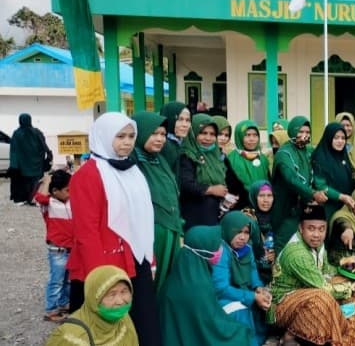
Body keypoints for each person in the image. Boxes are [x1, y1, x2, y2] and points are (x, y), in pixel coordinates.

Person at [67, 112, 161, 345]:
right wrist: (102, 278)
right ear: (103, 136)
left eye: (131, 136)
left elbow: (143, 220)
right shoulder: (87, 175)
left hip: (136, 259)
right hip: (103, 265)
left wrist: (150, 258)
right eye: (120, 136)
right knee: (105, 330)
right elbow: (86, 231)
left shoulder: (132, 170)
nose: (127, 142)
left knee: (143, 325)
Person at [270, 204, 355, 346]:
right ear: (301, 228)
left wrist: (350, 269)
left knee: (345, 282)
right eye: (311, 228)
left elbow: (326, 271)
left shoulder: (317, 244)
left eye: (321, 229)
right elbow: (325, 288)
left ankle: (346, 334)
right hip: (281, 306)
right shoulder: (297, 254)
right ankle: (291, 334)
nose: (316, 234)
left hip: (307, 292)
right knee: (323, 297)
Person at [159, 225, 253, 345]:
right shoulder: (198, 286)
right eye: (216, 246)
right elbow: (210, 326)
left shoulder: (177, 277)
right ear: (203, 250)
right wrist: (239, 331)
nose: (220, 250)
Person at [131, 111, 183, 294]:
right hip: (151, 232)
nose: (160, 139)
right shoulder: (132, 163)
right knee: (153, 282)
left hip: (171, 228)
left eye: (162, 134)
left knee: (170, 282)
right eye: (154, 133)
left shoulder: (160, 160)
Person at [212, 211, 270, 346]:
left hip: (243, 293)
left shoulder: (247, 250)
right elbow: (221, 289)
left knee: (266, 304)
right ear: (227, 230)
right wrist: (252, 297)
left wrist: (259, 288)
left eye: (246, 232)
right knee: (241, 311)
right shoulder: (221, 251)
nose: (243, 237)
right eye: (238, 232)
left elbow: (253, 274)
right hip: (222, 299)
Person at [46, 265, 138, 346]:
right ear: (94, 299)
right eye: (112, 294)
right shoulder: (71, 336)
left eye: (124, 291)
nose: (120, 301)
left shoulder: (123, 319)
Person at [271, 116, 325, 253]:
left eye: (307, 132)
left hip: (304, 207)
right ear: (293, 131)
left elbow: (317, 172)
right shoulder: (284, 153)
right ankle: (279, 273)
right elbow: (291, 179)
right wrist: (313, 194)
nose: (304, 136)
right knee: (284, 245)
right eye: (300, 132)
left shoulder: (308, 151)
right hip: (286, 207)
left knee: (302, 248)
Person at [179, 113, 232, 230]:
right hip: (196, 215)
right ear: (193, 133)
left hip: (216, 213)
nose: (208, 138)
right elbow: (186, 184)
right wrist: (211, 190)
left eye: (212, 134)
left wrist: (228, 195)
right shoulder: (187, 155)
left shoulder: (216, 155)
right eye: (203, 133)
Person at [34, 170, 73, 322]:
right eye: (67, 190)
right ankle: (51, 310)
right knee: (56, 280)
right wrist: (47, 180)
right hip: (57, 251)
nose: (70, 193)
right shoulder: (48, 204)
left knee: (68, 280)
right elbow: (39, 197)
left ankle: (63, 303)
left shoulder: (71, 201)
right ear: (55, 191)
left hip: (72, 249)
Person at [227, 120, 271, 208]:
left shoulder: (263, 158)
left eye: (255, 135)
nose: (252, 139)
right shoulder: (231, 158)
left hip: (263, 204)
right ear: (239, 136)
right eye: (247, 135)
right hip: (241, 205)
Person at [9, 113, 50, 205]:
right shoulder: (37, 132)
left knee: (23, 182)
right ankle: (35, 199)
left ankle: (22, 199)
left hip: (22, 164)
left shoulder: (17, 133)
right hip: (36, 163)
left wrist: (14, 163)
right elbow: (43, 145)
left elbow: (14, 150)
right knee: (36, 181)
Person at [245, 180, 276, 284]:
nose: (266, 200)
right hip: (252, 271)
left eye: (269, 195)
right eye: (261, 195)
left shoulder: (278, 216)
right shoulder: (247, 217)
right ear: (254, 196)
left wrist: (277, 252)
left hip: (275, 270)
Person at [159, 101, 192, 174]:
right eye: (180, 119)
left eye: (188, 120)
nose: (185, 125)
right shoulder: (163, 145)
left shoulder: (184, 142)